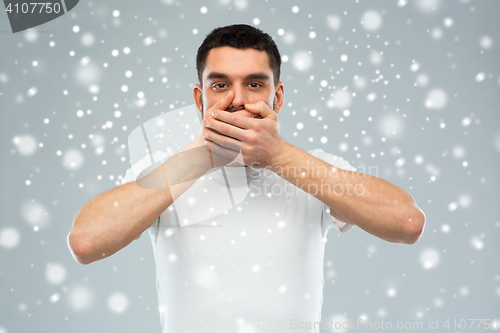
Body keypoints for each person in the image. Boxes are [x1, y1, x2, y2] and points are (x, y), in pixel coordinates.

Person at [68, 24, 425, 332]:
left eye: (254, 84)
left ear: (278, 96)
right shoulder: (163, 171)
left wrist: (280, 157)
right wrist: (198, 160)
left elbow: (407, 222)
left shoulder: (314, 168)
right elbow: (85, 242)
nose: (237, 100)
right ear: (199, 99)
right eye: (220, 85)